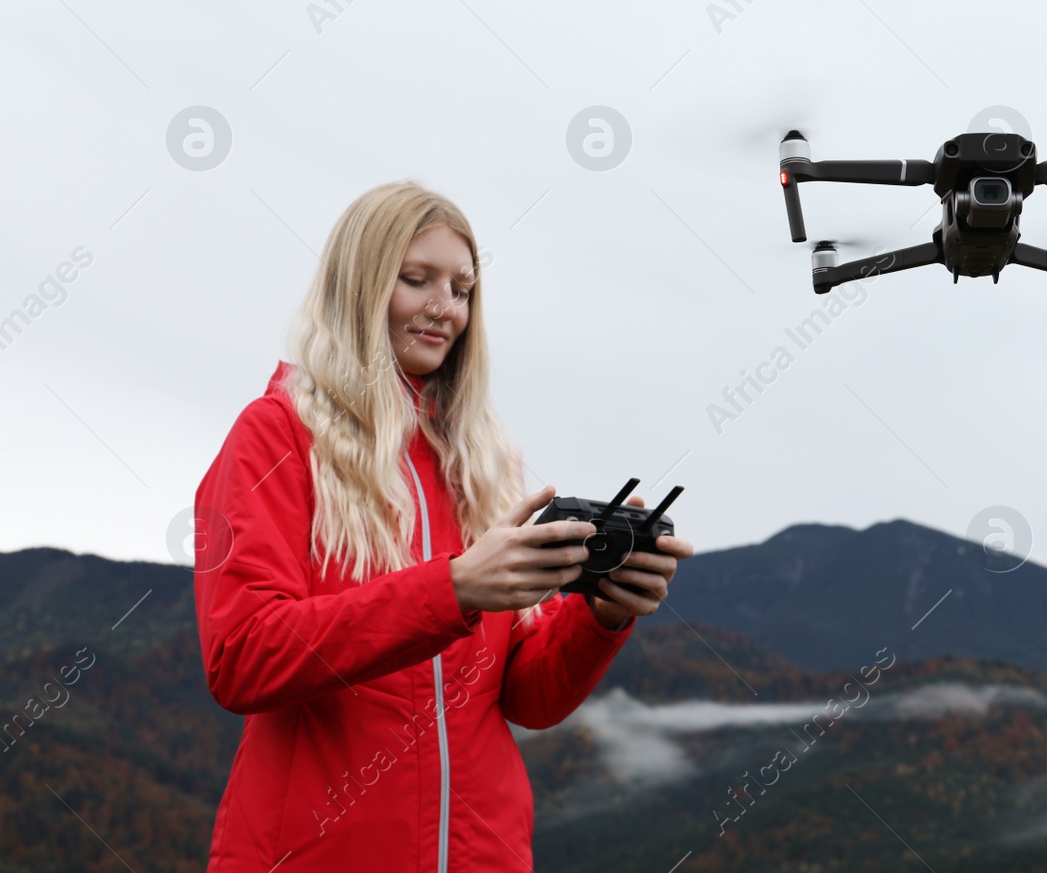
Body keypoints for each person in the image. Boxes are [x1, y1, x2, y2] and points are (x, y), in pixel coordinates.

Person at [191, 180, 693, 871]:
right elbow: (242, 657)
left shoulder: (484, 461)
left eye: (462, 288)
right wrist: (452, 588)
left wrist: (600, 613)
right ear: (359, 284)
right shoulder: (275, 435)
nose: (444, 309)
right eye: (416, 279)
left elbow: (526, 697)